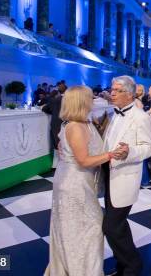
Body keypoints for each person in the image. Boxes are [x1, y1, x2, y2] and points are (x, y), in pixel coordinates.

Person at [45, 86, 118, 276]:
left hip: (80, 181)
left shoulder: (83, 123)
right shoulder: (75, 127)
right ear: (81, 102)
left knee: (80, 229)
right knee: (88, 229)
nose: (93, 101)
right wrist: (111, 154)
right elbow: (84, 160)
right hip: (73, 184)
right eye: (90, 98)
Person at [102, 76, 151, 276]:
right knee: (118, 226)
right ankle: (123, 266)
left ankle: (133, 267)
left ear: (130, 94)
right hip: (109, 175)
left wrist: (130, 152)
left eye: (117, 90)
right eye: (112, 89)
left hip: (125, 177)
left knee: (111, 226)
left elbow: (148, 148)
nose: (112, 93)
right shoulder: (112, 113)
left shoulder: (141, 117)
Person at [42, 82, 67, 151]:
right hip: (67, 123)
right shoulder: (71, 99)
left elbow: (45, 109)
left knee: (58, 145)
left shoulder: (55, 100)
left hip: (57, 123)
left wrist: (53, 112)